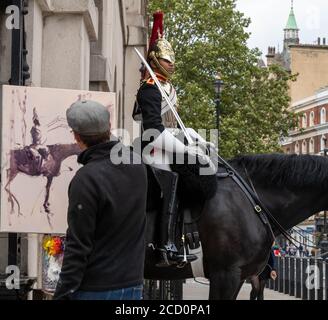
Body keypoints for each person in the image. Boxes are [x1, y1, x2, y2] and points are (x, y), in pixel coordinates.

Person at [133, 11, 216, 267]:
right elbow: (154, 130)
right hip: (154, 149)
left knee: (192, 177)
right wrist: (186, 151)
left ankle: (179, 240)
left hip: (168, 146)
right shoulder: (149, 88)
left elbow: (173, 125)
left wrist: (195, 139)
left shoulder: (167, 87)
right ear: (155, 60)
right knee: (173, 183)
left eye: (172, 59)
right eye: (167, 60)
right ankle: (164, 246)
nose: (172, 63)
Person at [54, 100, 147, 300]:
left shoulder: (86, 179)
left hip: (96, 289)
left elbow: (78, 246)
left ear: (77, 136)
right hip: (133, 285)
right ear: (109, 128)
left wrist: (63, 293)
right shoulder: (137, 165)